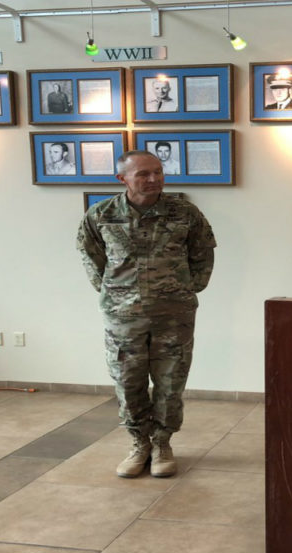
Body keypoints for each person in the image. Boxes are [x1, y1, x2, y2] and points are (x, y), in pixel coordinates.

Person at [76, 151, 217, 479]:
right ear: (122, 179)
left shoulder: (184, 213)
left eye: (158, 172)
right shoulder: (101, 215)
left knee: (170, 382)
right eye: (143, 174)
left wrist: (188, 288)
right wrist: (113, 291)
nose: (153, 179)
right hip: (123, 318)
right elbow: (90, 254)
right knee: (128, 382)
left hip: (174, 315)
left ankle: (163, 443)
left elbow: (203, 251)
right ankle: (139, 443)